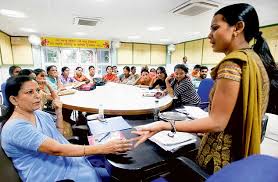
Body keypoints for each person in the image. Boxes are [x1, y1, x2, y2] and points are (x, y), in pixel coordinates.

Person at [132, 3, 278, 174]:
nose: (209, 35)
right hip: (239, 155)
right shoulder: (255, 60)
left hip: (219, 159)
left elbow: (217, 123)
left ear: (238, 27)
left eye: (215, 28)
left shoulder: (232, 64)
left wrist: (164, 126)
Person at [0, 76, 136, 182]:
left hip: (65, 163)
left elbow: (58, 136)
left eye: (37, 90)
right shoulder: (16, 128)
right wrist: (103, 148)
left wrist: (59, 112)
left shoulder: (39, 114)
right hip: (51, 176)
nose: (38, 95)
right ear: (14, 100)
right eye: (30, 92)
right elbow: (56, 149)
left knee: (116, 173)